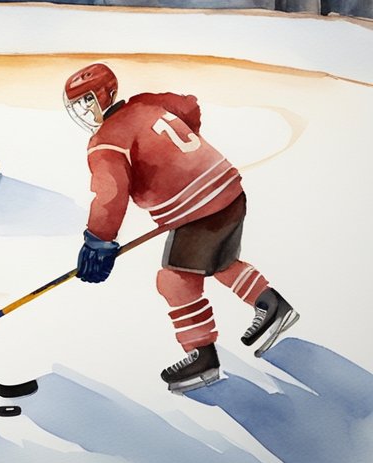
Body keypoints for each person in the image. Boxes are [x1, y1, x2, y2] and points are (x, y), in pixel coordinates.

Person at [64, 62, 299, 393]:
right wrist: (176, 156)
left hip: (197, 211)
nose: (83, 111)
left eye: (86, 101)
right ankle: (271, 304)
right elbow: (189, 104)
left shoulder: (106, 141)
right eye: (77, 105)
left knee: (174, 281)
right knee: (220, 262)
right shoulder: (146, 102)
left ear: (105, 94)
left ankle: (203, 356)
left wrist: (98, 242)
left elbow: (110, 195)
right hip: (228, 190)